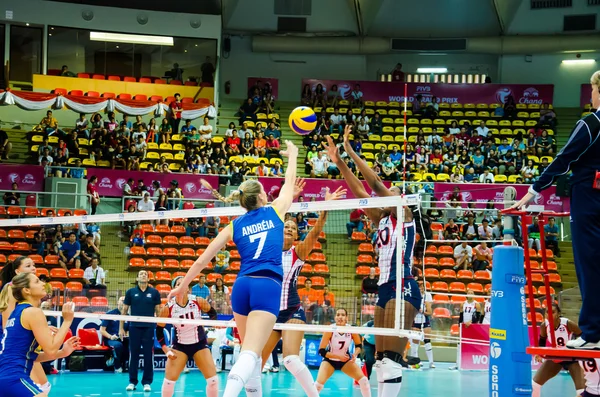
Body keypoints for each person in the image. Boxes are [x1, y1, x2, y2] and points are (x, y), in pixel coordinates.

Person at [169, 141, 298, 397]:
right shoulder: (275, 212)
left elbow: (202, 260)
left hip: (241, 287)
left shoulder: (234, 225)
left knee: (247, 352)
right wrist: (293, 154)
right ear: (261, 196)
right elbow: (289, 182)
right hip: (267, 285)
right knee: (252, 352)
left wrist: (183, 285)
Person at [325, 125, 421, 397]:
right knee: (378, 360)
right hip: (384, 286)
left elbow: (376, 185)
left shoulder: (407, 217)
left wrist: (351, 151)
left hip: (403, 285)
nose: (390, 192)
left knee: (390, 361)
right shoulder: (382, 220)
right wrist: (339, 160)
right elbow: (360, 192)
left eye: (396, 191)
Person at [512, 71, 600, 350]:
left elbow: (564, 159)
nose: (591, 96)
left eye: (593, 90)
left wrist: (533, 190)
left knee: (589, 264)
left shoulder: (591, 123)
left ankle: (593, 333)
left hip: (589, 196)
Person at [258, 185, 345, 397]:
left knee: (290, 358)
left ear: (297, 234)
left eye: (293, 228)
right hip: (270, 312)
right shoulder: (267, 249)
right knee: (255, 362)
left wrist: (325, 207)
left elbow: (316, 230)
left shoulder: (298, 252)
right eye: (285, 226)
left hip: (292, 311)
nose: (289, 229)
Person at [0, 273, 79, 397]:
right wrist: (67, 321)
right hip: (15, 378)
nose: (43, 284)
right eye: (37, 282)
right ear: (26, 290)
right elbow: (51, 350)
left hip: (5, 379)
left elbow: (30, 356)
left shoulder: (17, 312)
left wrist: (63, 352)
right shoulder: (33, 312)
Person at [0, 256, 57, 393]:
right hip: (10, 347)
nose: (33, 268)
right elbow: (8, 323)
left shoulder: (29, 296)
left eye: (34, 265)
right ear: (17, 272)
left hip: (16, 344)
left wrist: (38, 328)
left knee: (43, 385)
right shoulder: (12, 288)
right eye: (28, 265)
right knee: (40, 386)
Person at [157, 276, 219, 397]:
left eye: (183, 284)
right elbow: (159, 330)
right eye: (177, 284)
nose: (180, 286)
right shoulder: (168, 308)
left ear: (188, 288)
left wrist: (210, 327)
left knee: (213, 381)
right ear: (173, 289)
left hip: (199, 344)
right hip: (180, 346)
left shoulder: (198, 301)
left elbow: (213, 313)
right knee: (168, 383)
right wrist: (165, 349)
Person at [121, 270, 162, 392]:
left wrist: (159, 327)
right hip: (134, 328)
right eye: (141, 274)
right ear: (137, 278)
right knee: (133, 355)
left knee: (149, 355)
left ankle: (147, 382)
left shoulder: (154, 292)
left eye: (145, 274)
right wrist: (121, 328)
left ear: (148, 279)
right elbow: (124, 311)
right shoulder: (130, 292)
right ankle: (132, 382)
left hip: (149, 328)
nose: (143, 275)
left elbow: (158, 311)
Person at [315, 308, 371, 397]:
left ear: (347, 318)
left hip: (345, 361)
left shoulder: (351, 330)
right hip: (330, 361)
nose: (340, 317)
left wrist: (355, 354)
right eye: (338, 315)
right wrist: (338, 357)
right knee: (317, 386)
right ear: (335, 317)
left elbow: (359, 345)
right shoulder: (330, 330)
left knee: (364, 381)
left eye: (342, 315)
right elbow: (321, 351)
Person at [532, 304, 585, 397]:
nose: (549, 315)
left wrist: (575, 345)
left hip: (572, 359)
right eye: (547, 312)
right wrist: (539, 354)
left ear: (558, 314)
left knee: (581, 391)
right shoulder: (544, 325)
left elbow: (582, 335)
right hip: (555, 358)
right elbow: (542, 340)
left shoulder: (567, 323)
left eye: (553, 312)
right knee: (534, 384)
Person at [100, 297, 128, 373]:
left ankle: (127, 365)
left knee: (132, 345)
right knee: (118, 345)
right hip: (110, 339)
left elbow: (128, 330)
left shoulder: (128, 316)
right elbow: (102, 330)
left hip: (122, 339)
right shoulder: (110, 314)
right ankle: (117, 366)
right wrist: (111, 337)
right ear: (117, 302)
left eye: (125, 301)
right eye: (122, 300)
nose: (123, 302)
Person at [411, 282, 435, 368]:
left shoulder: (426, 300)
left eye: (422, 287)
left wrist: (423, 312)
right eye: (420, 287)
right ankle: (416, 361)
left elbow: (430, 312)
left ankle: (431, 362)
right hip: (415, 321)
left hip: (424, 321)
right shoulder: (413, 297)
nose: (421, 289)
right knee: (415, 342)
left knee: (427, 341)